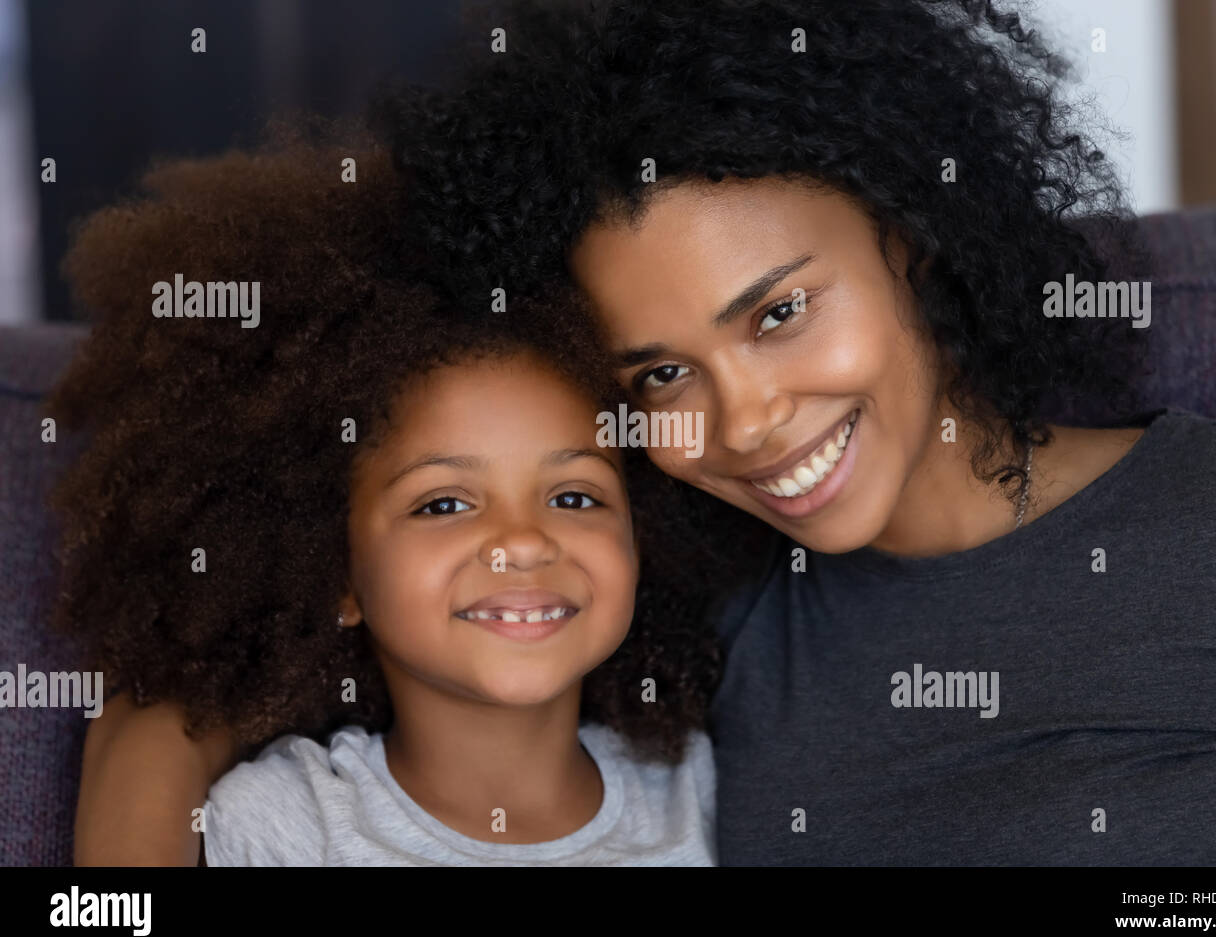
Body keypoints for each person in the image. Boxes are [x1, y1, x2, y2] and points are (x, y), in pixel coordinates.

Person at [78, 0, 1216, 864]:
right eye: (662, 371)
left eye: (778, 310)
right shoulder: (692, 600)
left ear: (910, 234)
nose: (749, 421)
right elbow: (192, 685)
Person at [53, 134, 731, 865]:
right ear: (336, 573)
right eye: (442, 503)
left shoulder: (695, 789)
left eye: (574, 495)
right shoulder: (280, 821)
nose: (525, 541)